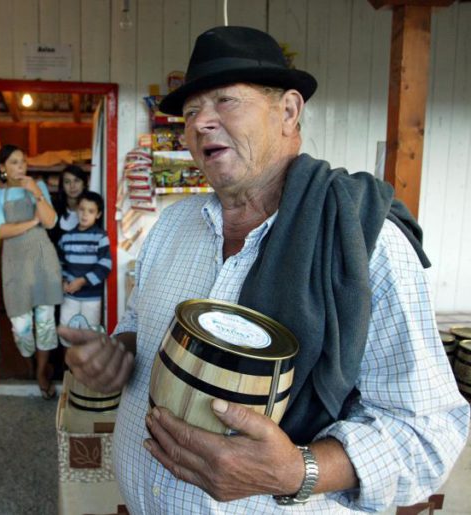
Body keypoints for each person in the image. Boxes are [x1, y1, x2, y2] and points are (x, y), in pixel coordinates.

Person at [58, 26, 470, 513]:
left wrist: (299, 470)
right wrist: (117, 353)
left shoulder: (366, 244)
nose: (201, 123)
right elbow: (137, 329)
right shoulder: (171, 227)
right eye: (190, 112)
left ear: (289, 111)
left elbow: (427, 433)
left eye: (225, 102)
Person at [0, 144, 63, 399]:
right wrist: (33, 221)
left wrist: (37, 194)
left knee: (45, 323)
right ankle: (31, 365)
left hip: (43, 261)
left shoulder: (39, 187)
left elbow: (51, 221)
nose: (21, 167)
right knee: (21, 325)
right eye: (14, 162)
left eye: (23, 162)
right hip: (15, 265)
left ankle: (42, 370)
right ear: (2, 168)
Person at [57, 190, 112, 341]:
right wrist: (63, 282)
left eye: (91, 211)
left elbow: (105, 265)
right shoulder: (66, 237)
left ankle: (85, 365)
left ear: (98, 214)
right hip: (70, 295)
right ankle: (67, 364)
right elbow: (59, 264)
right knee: (66, 332)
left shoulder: (100, 236)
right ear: (76, 210)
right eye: (81, 209)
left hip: (92, 297)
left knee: (90, 335)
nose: (85, 214)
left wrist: (82, 281)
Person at [48, 164, 89, 246]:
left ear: (84, 184)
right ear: (62, 186)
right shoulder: (53, 208)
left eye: (76, 181)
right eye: (67, 182)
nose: (72, 186)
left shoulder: (91, 208)